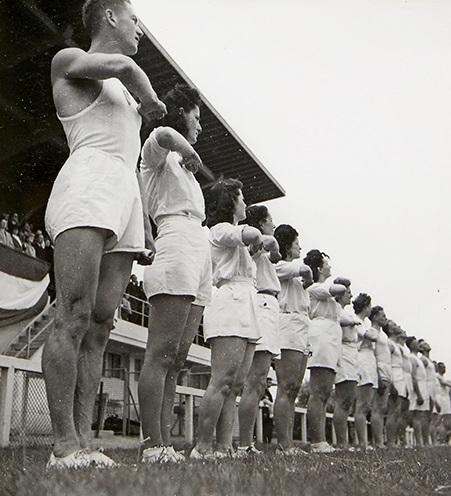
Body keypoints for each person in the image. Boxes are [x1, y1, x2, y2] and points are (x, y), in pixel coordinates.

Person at [42, 0, 166, 470]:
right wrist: (152, 100)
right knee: (72, 315)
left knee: (99, 326)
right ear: (111, 16)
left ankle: (86, 443)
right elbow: (121, 63)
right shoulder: (69, 60)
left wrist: (147, 225)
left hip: (124, 196)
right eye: (135, 19)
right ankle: (62, 446)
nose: (140, 29)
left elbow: (133, 161)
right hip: (88, 183)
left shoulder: (126, 96)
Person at [138, 84, 210, 463]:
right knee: (162, 352)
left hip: (196, 244)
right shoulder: (157, 153)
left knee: (178, 355)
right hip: (175, 239)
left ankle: (164, 441)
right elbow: (163, 134)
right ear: (181, 112)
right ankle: (152, 444)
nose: (199, 126)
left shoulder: (183, 171)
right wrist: (189, 149)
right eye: (196, 118)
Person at [191, 178, 263, 459]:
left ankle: (224, 446)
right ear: (230, 201)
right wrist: (257, 240)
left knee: (235, 384)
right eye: (241, 197)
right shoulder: (221, 229)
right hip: (228, 303)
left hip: (245, 304)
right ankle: (202, 446)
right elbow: (254, 235)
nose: (245, 202)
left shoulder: (233, 233)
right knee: (221, 380)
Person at [236, 205, 282, 456]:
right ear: (261, 223)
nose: (273, 225)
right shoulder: (255, 244)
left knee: (258, 381)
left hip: (269, 305)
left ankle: (247, 442)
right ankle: (244, 444)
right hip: (262, 302)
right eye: (270, 220)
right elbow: (267, 242)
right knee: (254, 381)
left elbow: (273, 251)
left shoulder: (262, 251)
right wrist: (270, 243)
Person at [273, 224, 313, 454]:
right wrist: (306, 272)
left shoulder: (293, 271)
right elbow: (304, 270)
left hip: (301, 328)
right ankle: (283, 444)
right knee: (286, 386)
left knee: (294, 389)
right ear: (288, 244)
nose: (300, 247)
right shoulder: (281, 266)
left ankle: (287, 443)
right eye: (297, 243)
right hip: (288, 326)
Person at [304, 250, 347, 453]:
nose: (330, 265)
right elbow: (339, 288)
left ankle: (320, 441)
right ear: (319, 268)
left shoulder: (326, 293)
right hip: (320, 337)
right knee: (319, 392)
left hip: (330, 339)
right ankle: (317, 441)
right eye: (327, 263)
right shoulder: (316, 287)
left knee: (324, 392)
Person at [333, 278, 361, 450]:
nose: (350, 294)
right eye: (348, 291)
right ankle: (341, 443)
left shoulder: (346, 312)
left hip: (352, 355)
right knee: (343, 400)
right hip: (343, 354)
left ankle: (343, 442)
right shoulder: (337, 310)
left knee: (348, 401)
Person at [353, 293, 378, 451]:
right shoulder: (358, 322)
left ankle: (365, 443)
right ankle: (362, 443)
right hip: (362, 361)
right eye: (369, 306)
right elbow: (371, 336)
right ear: (365, 306)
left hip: (369, 362)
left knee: (366, 405)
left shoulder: (363, 323)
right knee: (362, 405)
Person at [369, 305, 391, 449]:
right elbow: (373, 355)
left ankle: (380, 441)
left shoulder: (383, 335)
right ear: (375, 316)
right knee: (376, 408)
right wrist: (379, 375)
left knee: (382, 408)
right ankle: (377, 442)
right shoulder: (372, 332)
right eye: (382, 315)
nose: (385, 318)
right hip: (379, 371)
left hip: (387, 371)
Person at [406, 336, 429, 446]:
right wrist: (418, 394)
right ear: (411, 345)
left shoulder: (418, 359)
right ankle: (419, 442)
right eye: (416, 343)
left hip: (423, 386)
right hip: (418, 386)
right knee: (417, 416)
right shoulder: (412, 358)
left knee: (421, 415)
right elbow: (413, 377)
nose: (418, 345)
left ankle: (422, 442)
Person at [384, 321, 404, 447]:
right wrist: (391, 383)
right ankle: (390, 441)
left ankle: (395, 440)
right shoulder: (389, 343)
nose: (398, 326)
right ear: (390, 330)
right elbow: (387, 363)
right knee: (392, 411)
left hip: (400, 376)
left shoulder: (396, 345)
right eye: (394, 325)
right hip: (394, 377)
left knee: (397, 412)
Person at [436, 362, 451, 444]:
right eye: (442, 367)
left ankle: (445, 439)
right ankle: (439, 439)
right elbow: (444, 383)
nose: (444, 369)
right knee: (440, 420)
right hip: (441, 399)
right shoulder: (437, 376)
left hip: (446, 400)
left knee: (448, 421)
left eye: (444, 367)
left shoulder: (444, 377)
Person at [261, 377, 275, 445]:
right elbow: (263, 398)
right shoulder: (263, 390)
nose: (270, 384)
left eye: (271, 382)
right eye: (269, 382)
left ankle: (268, 441)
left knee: (269, 426)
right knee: (265, 426)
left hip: (268, 410)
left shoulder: (268, 391)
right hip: (264, 411)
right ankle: (264, 441)